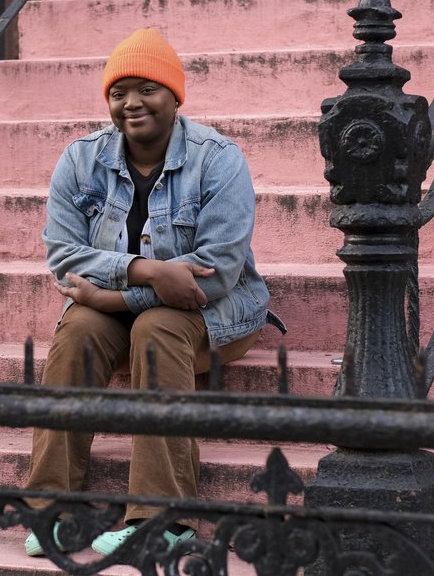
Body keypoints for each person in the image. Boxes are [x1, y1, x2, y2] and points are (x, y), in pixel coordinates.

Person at [24, 28, 270, 557]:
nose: (131, 103)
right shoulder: (81, 160)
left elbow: (216, 272)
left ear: (174, 96)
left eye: (147, 89)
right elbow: (63, 256)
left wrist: (115, 298)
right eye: (118, 92)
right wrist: (147, 272)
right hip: (118, 304)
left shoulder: (218, 158)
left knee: (155, 328)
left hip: (216, 313)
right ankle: (52, 510)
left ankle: (161, 520)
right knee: (77, 332)